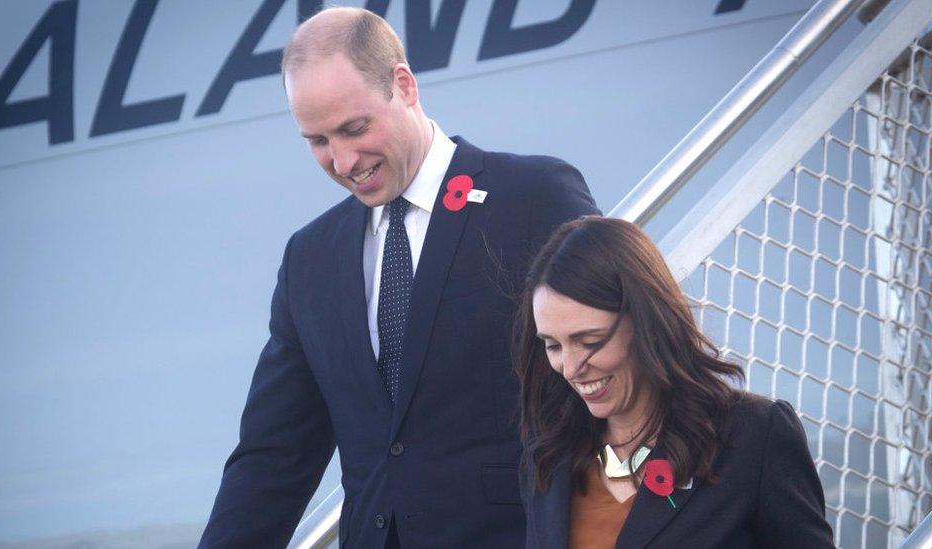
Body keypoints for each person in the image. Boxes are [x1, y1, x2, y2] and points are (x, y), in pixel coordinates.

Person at [198, 6, 599, 548]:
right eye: (317, 141)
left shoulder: (533, 196)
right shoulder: (309, 260)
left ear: (404, 86)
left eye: (353, 128)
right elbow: (273, 456)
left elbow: (622, 369)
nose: (342, 161)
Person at [515, 216, 834, 548]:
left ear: (646, 320)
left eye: (590, 341)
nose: (569, 368)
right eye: (553, 346)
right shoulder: (549, 455)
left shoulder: (753, 437)